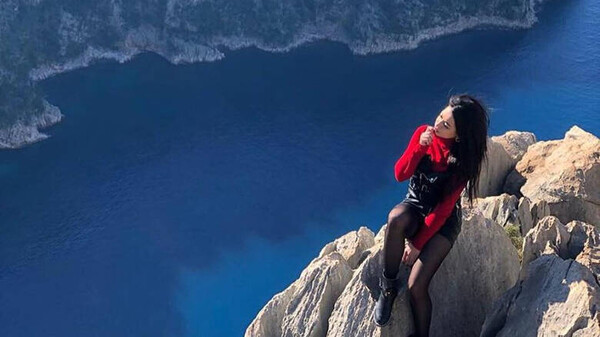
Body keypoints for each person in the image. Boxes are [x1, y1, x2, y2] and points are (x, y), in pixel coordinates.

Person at [373, 94, 490, 336]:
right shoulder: (423, 134)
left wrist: (417, 245)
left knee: (417, 286)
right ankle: (388, 287)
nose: (437, 125)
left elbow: (443, 210)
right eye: (440, 117)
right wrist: (419, 147)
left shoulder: (461, 163)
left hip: (443, 223)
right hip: (416, 203)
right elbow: (400, 174)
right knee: (396, 218)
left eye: (445, 125)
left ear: (458, 135)